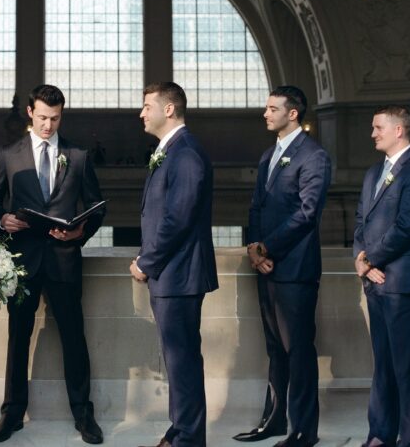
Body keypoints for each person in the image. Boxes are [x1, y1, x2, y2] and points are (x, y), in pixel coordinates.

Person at [0, 84, 106, 444]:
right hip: (22, 262)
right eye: (42, 118)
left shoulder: (78, 156)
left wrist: (78, 233)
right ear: (30, 113)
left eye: (54, 118)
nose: (48, 125)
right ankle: (11, 414)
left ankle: (84, 415)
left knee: (73, 337)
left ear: (61, 115)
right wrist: (1, 218)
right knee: (17, 339)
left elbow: (97, 207)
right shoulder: (8, 154)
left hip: (65, 260)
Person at [239, 86, 330, 447]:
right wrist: (253, 247)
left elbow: (307, 213)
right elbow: (256, 206)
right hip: (266, 267)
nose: (266, 113)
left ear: (293, 114)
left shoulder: (314, 156)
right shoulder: (268, 155)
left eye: (273, 108)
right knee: (275, 349)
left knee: (299, 351)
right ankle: (273, 422)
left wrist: (268, 245)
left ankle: (304, 430)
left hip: (296, 269)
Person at [131, 82, 217, 447]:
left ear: (169, 110)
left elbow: (177, 219)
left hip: (179, 275)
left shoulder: (185, 154)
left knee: (181, 362)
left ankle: (188, 439)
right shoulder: (172, 151)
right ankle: (181, 430)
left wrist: (146, 262)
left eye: (147, 105)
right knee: (177, 361)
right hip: (173, 275)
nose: (141, 113)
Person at [353, 106, 410, 447]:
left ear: (399, 130)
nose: (373, 133)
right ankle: (380, 433)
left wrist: (371, 257)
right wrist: (360, 261)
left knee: (408, 366)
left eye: (378, 127)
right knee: (383, 365)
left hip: (401, 281)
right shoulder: (373, 173)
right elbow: (360, 220)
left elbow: (408, 227)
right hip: (373, 281)